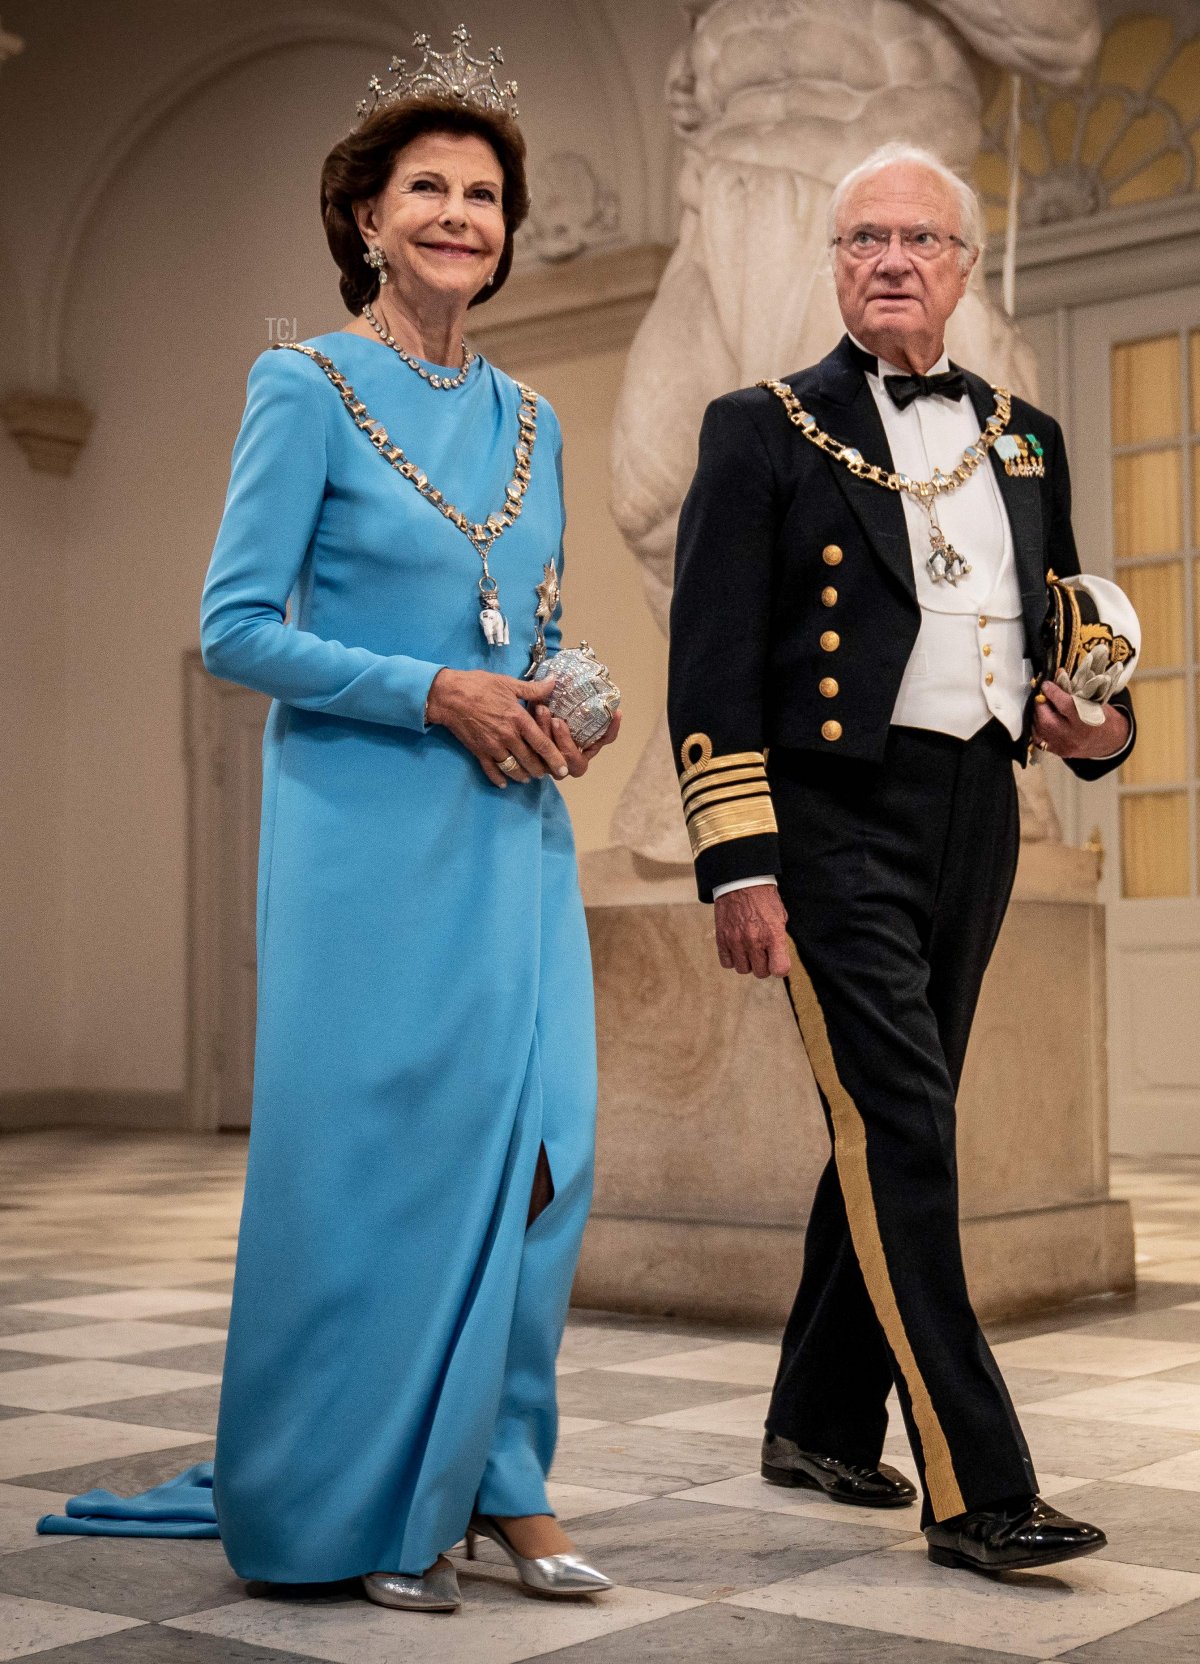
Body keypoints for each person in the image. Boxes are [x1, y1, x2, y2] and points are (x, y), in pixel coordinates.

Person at [38, 29, 619, 1614]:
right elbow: (236, 629)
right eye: (426, 186)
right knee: (383, 1169)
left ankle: (506, 1479)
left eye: (484, 192)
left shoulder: (537, 419)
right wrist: (436, 692)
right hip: (366, 838)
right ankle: (379, 1501)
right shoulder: (299, 387)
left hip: (509, 837)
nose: (459, 213)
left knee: (546, 1160)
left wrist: (558, 694)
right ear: (364, 215)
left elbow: (527, 620)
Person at [667, 142, 1133, 1576]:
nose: (890, 260)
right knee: (910, 1130)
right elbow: (712, 661)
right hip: (824, 817)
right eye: (863, 236)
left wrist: (1097, 729)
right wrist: (739, 859)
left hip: (976, 814)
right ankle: (977, 1485)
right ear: (835, 261)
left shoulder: (1028, 433)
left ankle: (813, 1417)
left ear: (964, 266)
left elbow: (1067, 630)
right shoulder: (761, 428)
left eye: (918, 240)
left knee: (882, 1124)